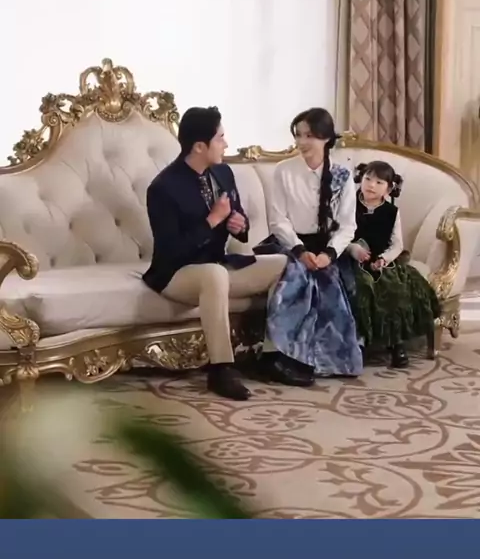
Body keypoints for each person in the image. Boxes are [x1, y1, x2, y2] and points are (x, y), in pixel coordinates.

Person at [142, 106, 288, 401]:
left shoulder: (223, 172)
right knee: (214, 274)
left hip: (219, 266)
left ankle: (273, 355)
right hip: (176, 274)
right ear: (199, 146)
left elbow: (238, 221)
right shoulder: (163, 188)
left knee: (284, 263)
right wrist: (212, 220)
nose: (226, 144)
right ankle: (221, 369)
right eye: (220, 138)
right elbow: (172, 249)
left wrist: (239, 225)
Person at [256, 108, 363, 384]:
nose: (302, 142)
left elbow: (347, 225)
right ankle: (277, 358)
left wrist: (329, 254)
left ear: (326, 138)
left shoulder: (342, 175)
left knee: (329, 286)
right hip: (289, 244)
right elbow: (278, 221)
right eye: (299, 135)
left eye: (309, 136)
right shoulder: (284, 171)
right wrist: (300, 251)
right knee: (295, 276)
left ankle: (316, 361)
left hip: (327, 249)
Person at [343, 160, 442, 368]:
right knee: (361, 288)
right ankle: (360, 342)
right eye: (368, 179)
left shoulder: (391, 212)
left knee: (394, 289)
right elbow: (336, 233)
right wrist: (353, 249)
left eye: (379, 182)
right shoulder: (348, 204)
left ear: (388, 189)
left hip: (380, 260)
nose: (371, 185)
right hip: (350, 258)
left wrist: (384, 259)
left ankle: (396, 343)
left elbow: (397, 244)